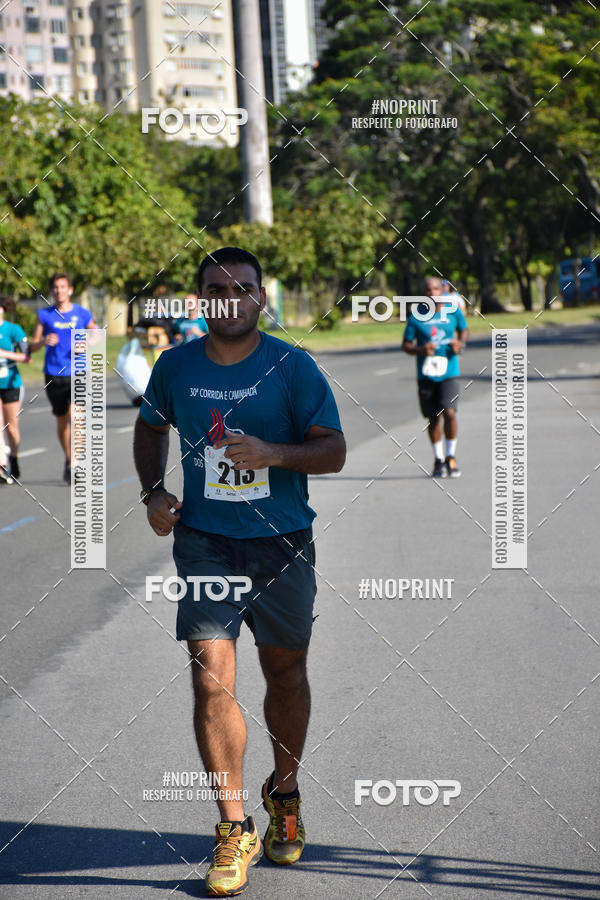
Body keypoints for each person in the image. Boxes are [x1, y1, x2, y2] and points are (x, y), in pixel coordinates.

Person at [134, 246, 345, 897]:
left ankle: (285, 793)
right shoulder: (175, 365)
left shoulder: (292, 364)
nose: (231, 298)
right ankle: (232, 828)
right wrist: (153, 492)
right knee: (210, 679)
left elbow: (332, 449)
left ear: (260, 296)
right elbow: (150, 427)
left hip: (282, 544)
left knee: (285, 672)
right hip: (205, 545)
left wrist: (273, 453)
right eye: (217, 289)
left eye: (242, 287)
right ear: (202, 300)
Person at [30, 273, 97, 482]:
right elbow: (32, 345)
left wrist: (87, 343)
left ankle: (76, 463)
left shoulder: (82, 313)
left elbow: (96, 334)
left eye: (62, 287)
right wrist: (43, 342)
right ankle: (69, 460)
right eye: (55, 287)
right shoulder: (44, 315)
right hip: (53, 373)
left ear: (70, 290)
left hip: (78, 371)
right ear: (52, 291)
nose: (59, 291)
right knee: (62, 420)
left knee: (76, 417)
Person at [402, 276, 469, 478]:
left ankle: (451, 456)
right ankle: (438, 459)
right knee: (433, 418)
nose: (433, 294)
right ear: (424, 294)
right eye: (428, 290)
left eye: (436, 289)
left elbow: (463, 331)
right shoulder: (416, 317)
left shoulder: (453, 312)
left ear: (443, 291)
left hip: (449, 372)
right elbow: (406, 345)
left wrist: (460, 344)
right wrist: (421, 349)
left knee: (450, 413)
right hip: (427, 374)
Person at [0, 299, 29, 482]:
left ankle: (14, 459)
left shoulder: (13, 329)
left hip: (11, 383)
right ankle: (2, 466)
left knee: (11, 428)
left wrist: (4, 354)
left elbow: (27, 357)